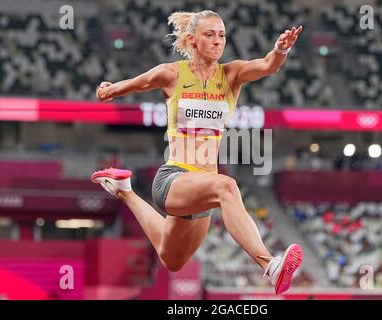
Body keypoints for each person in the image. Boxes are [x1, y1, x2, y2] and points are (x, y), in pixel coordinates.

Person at [92, 10, 303, 294]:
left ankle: (125, 190)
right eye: (210, 35)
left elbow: (267, 65)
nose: (218, 41)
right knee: (227, 187)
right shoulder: (172, 73)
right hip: (174, 179)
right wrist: (108, 90)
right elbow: (134, 84)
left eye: (222, 35)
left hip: (202, 189)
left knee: (172, 260)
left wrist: (281, 49)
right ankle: (269, 265)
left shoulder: (231, 74)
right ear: (192, 40)